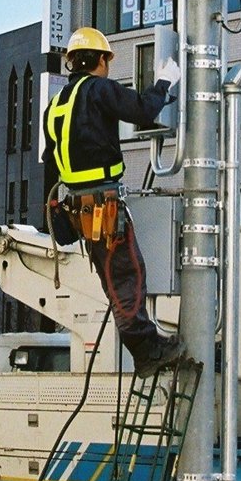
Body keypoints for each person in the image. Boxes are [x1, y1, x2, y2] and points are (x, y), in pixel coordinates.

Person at [43, 26, 185, 374]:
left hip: (80, 208)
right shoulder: (98, 90)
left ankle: (147, 347)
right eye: (107, 59)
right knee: (126, 275)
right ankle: (147, 351)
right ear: (101, 60)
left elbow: (50, 159)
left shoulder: (56, 105)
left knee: (116, 277)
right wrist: (165, 81)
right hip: (101, 205)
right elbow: (142, 109)